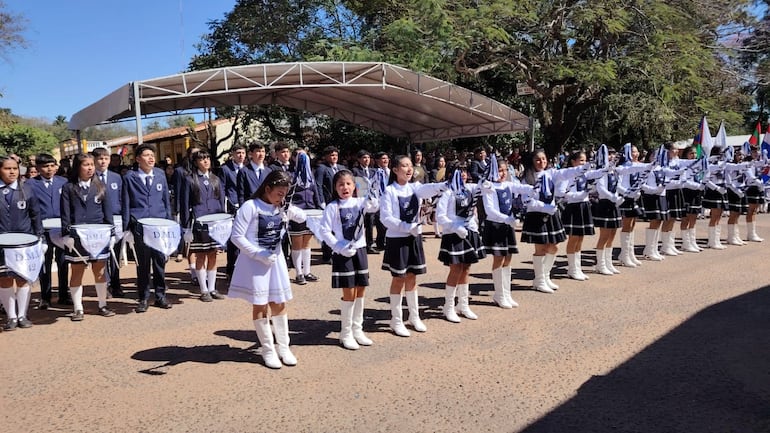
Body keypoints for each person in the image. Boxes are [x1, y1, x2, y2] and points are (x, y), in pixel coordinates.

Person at [229, 170, 306, 369]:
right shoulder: (250, 207)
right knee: (261, 304)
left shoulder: (281, 206)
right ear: (267, 188)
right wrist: (258, 254)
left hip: (276, 261)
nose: (282, 197)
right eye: (279, 193)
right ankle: (268, 349)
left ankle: (284, 347)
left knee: (278, 302)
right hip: (256, 263)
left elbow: (302, 217)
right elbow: (237, 237)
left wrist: (290, 209)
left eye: (285, 194)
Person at [380, 155, 447, 336]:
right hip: (397, 239)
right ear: (395, 170)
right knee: (398, 279)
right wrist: (406, 227)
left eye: (410, 166)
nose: (409, 169)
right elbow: (385, 218)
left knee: (412, 277)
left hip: (413, 237)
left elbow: (428, 189)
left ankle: (414, 316)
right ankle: (396, 320)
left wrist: (443, 185)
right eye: (404, 166)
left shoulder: (415, 188)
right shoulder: (390, 191)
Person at [318, 169, 378, 349]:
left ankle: (357, 329)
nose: (345, 187)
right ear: (335, 188)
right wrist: (338, 246)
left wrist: (372, 193)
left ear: (354, 186)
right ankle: (345, 333)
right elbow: (324, 230)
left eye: (349, 184)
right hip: (343, 253)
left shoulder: (360, 202)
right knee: (349, 292)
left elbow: (375, 206)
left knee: (361, 290)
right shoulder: (332, 207)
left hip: (359, 251)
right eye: (340, 184)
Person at [520, 149, 590, 293]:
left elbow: (565, 173)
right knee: (541, 249)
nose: (542, 162)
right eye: (538, 160)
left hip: (551, 214)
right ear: (532, 161)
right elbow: (526, 201)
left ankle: (545, 276)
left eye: (544, 159)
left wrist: (582, 168)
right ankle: (539, 280)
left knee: (554, 247)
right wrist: (544, 207)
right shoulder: (527, 178)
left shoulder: (551, 174)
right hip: (536, 216)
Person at [60, 153, 115, 320]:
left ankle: (102, 304)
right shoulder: (69, 188)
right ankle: (78, 308)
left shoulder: (101, 186)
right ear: (78, 167)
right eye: (86, 164)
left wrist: (111, 233)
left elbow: (108, 213)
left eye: (92, 164)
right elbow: (65, 213)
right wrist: (66, 234)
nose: (90, 167)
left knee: (100, 270)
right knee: (77, 271)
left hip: (99, 235)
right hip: (77, 236)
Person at [121, 144, 174, 313]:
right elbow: (126, 203)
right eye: (146, 155)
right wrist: (127, 228)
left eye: (152, 155)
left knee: (159, 261)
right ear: (137, 159)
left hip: (159, 224)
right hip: (140, 225)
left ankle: (160, 295)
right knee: (143, 263)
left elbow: (166, 200)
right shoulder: (130, 177)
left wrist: (170, 222)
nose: (151, 158)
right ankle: (143, 297)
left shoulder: (160, 174)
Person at [436, 165, 487, 322]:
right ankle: (448, 306)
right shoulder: (447, 193)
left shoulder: (470, 189)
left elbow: (483, 189)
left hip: (469, 231)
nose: (463, 175)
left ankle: (463, 304)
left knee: (466, 268)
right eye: (458, 172)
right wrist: (454, 227)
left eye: (464, 172)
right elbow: (440, 216)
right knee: (456, 268)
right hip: (453, 233)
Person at [480, 157, 532, 308]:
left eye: (504, 170)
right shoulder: (489, 186)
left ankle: (506, 293)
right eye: (499, 170)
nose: (502, 173)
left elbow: (523, 189)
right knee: (499, 258)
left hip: (507, 225)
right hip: (496, 226)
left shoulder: (509, 184)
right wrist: (507, 218)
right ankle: (499, 294)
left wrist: (535, 188)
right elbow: (490, 210)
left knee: (508, 258)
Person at [0, 155, 43, 330]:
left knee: (23, 278)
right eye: (7, 168)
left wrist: (41, 239)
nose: (12, 172)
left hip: (24, 243)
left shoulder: (26, 189)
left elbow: (36, 215)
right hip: (2, 245)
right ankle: (10, 317)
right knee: (4, 279)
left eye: (15, 168)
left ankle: (22, 315)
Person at [179, 150, 226, 302]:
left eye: (207, 158)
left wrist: (223, 220)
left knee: (213, 254)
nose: (205, 161)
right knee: (201, 255)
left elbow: (221, 201)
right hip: (199, 221)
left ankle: (212, 288)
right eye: (201, 159)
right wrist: (186, 227)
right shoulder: (189, 179)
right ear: (195, 162)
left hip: (215, 222)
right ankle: (203, 289)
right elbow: (185, 204)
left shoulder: (216, 179)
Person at [28, 154, 70, 309]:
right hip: (42, 229)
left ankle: (64, 295)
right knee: (44, 263)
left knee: (63, 262)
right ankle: (45, 297)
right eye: (45, 166)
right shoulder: (31, 184)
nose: (49, 169)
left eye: (52, 165)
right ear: (38, 168)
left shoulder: (63, 182)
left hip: (60, 228)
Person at [557, 150, 601, 280]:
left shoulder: (585, 173)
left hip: (584, 206)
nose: (584, 163)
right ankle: (572, 269)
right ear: (573, 162)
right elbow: (562, 193)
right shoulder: (567, 175)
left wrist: (606, 167)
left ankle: (577, 267)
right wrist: (578, 195)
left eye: (585, 160)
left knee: (580, 238)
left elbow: (597, 173)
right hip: (573, 207)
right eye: (581, 160)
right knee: (574, 238)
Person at [591, 146, 633, 275]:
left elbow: (617, 185)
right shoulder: (601, 170)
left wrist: (625, 193)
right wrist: (613, 197)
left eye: (613, 154)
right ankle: (600, 264)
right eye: (609, 154)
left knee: (612, 234)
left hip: (614, 204)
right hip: (605, 204)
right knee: (604, 235)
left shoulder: (614, 170)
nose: (611, 156)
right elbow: (601, 189)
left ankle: (608, 262)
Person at [92, 147, 125, 298]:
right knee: (101, 256)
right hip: (99, 222)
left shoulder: (116, 177)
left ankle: (116, 284)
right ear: (94, 160)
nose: (103, 161)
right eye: (100, 158)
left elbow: (122, 199)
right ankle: (103, 285)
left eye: (106, 158)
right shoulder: (90, 178)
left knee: (116, 255)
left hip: (117, 220)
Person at [288, 151, 324, 285]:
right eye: (300, 157)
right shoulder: (291, 176)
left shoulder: (311, 177)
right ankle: (298, 273)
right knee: (297, 243)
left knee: (307, 243)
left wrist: (320, 208)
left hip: (311, 214)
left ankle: (307, 271)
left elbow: (316, 195)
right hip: (297, 215)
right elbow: (288, 197)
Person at [616, 143, 649, 267]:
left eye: (636, 152)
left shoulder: (638, 166)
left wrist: (637, 192)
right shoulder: (623, 168)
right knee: (627, 225)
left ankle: (630, 252)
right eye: (633, 152)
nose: (635, 154)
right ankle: (624, 254)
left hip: (634, 197)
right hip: (625, 198)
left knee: (632, 224)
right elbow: (618, 185)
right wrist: (627, 193)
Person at [219, 142, 247, 275]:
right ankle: (231, 269)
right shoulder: (225, 169)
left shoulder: (247, 169)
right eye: (238, 153)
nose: (241, 155)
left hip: (246, 207)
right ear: (232, 155)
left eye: (243, 153)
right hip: (232, 207)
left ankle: (244, 269)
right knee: (233, 240)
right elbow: (222, 189)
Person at [315, 146, 345, 263]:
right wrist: (321, 201)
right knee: (329, 229)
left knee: (339, 227)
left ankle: (339, 250)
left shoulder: (341, 168)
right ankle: (327, 254)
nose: (334, 157)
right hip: (328, 202)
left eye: (336, 155)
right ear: (326, 156)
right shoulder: (322, 168)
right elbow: (318, 185)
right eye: (332, 155)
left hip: (341, 202)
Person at [351, 150, 379, 254]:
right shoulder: (355, 171)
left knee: (370, 223)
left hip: (371, 201)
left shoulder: (373, 171)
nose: (366, 160)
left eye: (368, 158)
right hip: (359, 200)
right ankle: (356, 244)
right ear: (359, 159)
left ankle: (369, 245)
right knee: (358, 224)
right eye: (363, 158)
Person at [678, 146, 705, 253]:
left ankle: (692, 241)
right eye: (691, 153)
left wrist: (702, 184)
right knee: (686, 218)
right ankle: (685, 243)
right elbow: (684, 180)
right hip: (687, 192)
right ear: (686, 155)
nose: (693, 155)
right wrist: (697, 186)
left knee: (694, 217)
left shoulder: (698, 165)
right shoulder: (684, 165)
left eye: (694, 153)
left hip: (696, 193)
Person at [237, 140, 273, 208]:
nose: (261, 154)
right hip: (250, 208)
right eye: (258, 151)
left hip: (266, 208)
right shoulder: (244, 172)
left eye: (263, 151)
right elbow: (241, 195)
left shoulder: (269, 171)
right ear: (251, 153)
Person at [744, 145, 766, 242]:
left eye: (757, 152)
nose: (756, 154)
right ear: (750, 153)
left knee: (754, 211)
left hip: (758, 187)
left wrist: (764, 155)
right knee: (751, 210)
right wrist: (759, 183)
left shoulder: (756, 162)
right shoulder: (747, 162)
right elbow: (750, 176)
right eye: (754, 152)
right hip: (751, 188)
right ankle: (751, 233)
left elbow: (765, 163)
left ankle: (752, 233)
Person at [372, 151, 391, 251]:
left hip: (390, 199)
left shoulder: (391, 172)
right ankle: (380, 243)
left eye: (386, 158)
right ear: (377, 160)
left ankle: (388, 242)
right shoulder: (375, 172)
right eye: (383, 158)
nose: (385, 160)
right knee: (381, 223)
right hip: (379, 199)